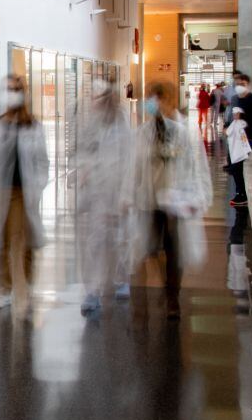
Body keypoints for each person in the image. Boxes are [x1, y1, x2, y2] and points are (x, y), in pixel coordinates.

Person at [129, 83, 212, 319]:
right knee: (149, 248)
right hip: (149, 201)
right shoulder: (142, 134)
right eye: (150, 99)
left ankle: (172, 295)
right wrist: (129, 195)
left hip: (175, 203)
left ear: (168, 101)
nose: (152, 104)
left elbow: (197, 168)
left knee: (173, 249)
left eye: (157, 99)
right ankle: (162, 287)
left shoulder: (183, 133)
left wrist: (198, 197)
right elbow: (133, 168)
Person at [0, 75, 50, 311]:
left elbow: (43, 161)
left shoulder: (33, 126)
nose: (12, 94)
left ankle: (27, 285)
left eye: (16, 89)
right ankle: (4, 289)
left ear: (23, 94)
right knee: (0, 241)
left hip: (25, 190)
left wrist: (39, 185)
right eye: (8, 89)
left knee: (24, 239)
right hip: (2, 191)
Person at [76, 80, 133, 314]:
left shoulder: (121, 122)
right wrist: (84, 170)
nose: (93, 102)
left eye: (97, 98)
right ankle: (92, 290)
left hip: (118, 190)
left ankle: (122, 279)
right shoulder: (91, 124)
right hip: (98, 192)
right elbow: (84, 152)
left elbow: (129, 157)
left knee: (120, 238)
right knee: (96, 240)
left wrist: (126, 194)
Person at [227, 74, 252, 205]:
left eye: (243, 84)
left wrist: (242, 116)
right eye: (238, 84)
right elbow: (230, 116)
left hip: (247, 138)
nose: (240, 87)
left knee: (237, 165)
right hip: (234, 138)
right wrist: (226, 127)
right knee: (234, 167)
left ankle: (242, 195)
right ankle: (240, 193)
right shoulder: (234, 99)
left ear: (248, 85)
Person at [225, 107, 252, 206]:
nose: (234, 115)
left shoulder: (239, 125)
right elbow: (228, 132)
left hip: (239, 154)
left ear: (240, 114)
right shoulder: (235, 123)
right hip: (235, 153)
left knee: (238, 175)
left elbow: (243, 139)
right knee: (237, 175)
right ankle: (239, 194)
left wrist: (247, 151)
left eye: (236, 114)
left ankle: (242, 195)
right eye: (234, 114)